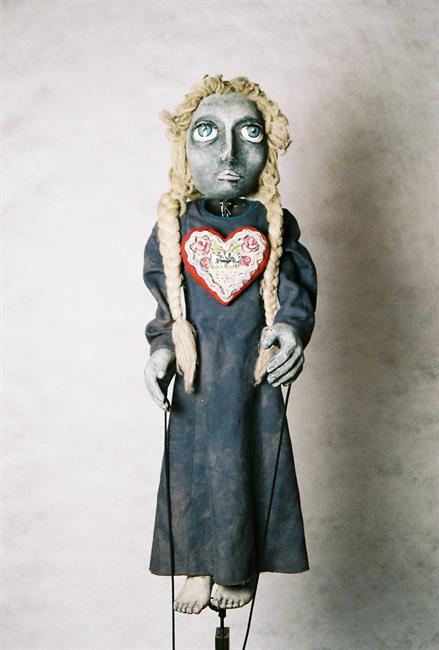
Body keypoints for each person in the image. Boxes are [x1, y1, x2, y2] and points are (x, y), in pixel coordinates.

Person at [143, 74, 317, 615]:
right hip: (196, 378)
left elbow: (295, 292)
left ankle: (237, 570)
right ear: (183, 148)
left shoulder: (274, 225)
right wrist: (161, 350)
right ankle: (197, 565)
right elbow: (166, 306)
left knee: (245, 465)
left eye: (249, 132)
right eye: (207, 133)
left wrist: (290, 331)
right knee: (193, 471)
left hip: (250, 374)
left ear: (268, 147)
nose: (229, 153)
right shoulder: (173, 227)